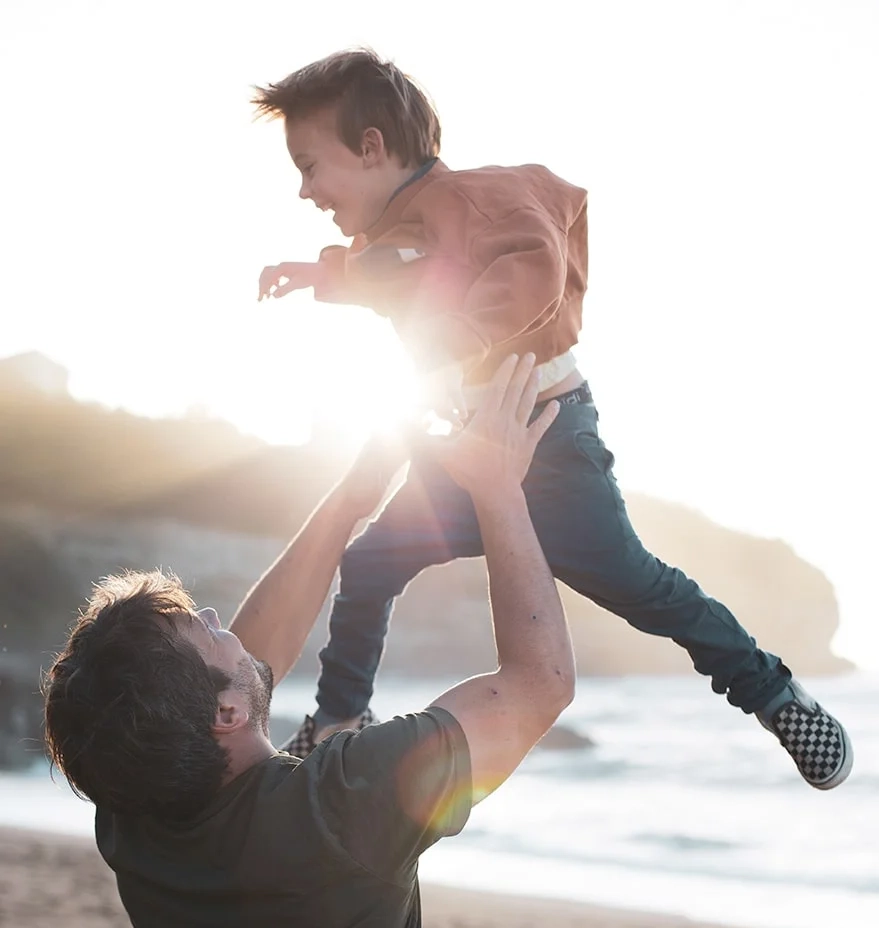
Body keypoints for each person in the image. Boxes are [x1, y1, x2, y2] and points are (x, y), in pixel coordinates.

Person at [252, 48, 852, 790]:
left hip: (547, 444)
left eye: (310, 165)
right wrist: (321, 276)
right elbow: (387, 272)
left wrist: (460, 341)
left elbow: (532, 261)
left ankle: (772, 695)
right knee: (370, 562)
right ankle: (341, 719)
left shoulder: (478, 198)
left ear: (371, 147)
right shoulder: (394, 233)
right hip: (460, 452)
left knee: (642, 588)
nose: (304, 189)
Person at [42, 355, 572, 928]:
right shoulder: (345, 801)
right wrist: (497, 489)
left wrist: (350, 501)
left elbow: (237, 668)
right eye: (206, 627)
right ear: (226, 711)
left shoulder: (129, 805)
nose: (222, 618)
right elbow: (539, 685)